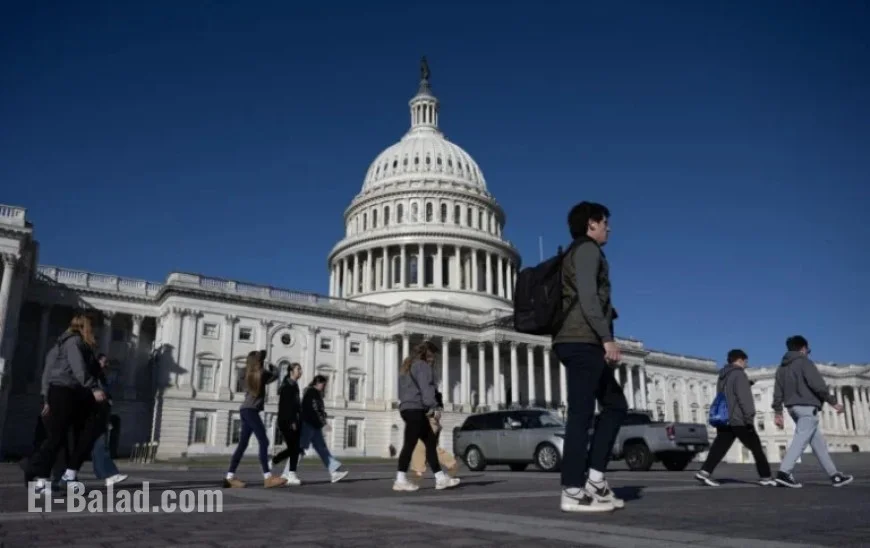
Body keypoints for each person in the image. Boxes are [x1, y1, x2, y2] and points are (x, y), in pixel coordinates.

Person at [551, 201, 627, 512]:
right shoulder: (586, 250)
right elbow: (587, 295)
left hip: (580, 339)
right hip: (582, 340)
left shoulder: (579, 252)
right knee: (581, 414)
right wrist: (606, 337)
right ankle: (571, 489)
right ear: (591, 224)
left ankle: (594, 478)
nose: (608, 227)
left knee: (615, 405)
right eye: (604, 222)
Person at [24, 313, 108, 493]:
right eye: (91, 327)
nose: (93, 331)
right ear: (84, 326)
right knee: (58, 438)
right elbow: (77, 369)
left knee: (67, 436)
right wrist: (93, 388)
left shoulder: (77, 344)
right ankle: (42, 476)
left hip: (72, 393)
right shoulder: (73, 342)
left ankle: (60, 476)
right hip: (64, 392)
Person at [772, 335, 853, 488]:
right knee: (800, 439)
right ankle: (784, 472)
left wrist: (778, 412)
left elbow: (777, 392)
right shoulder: (805, 363)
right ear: (803, 349)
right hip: (807, 407)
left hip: (792, 409)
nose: (808, 353)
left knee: (818, 444)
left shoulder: (781, 368)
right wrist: (833, 402)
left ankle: (834, 475)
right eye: (808, 350)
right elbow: (818, 385)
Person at [695, 349, 776, 487]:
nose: (746, 365)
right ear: (740, 360)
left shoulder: (722, 376)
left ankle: (704, 472)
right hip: (739, 419)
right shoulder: (739, 375)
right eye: (746, 362)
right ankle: (766, 477)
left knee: (719, 447)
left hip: (725, 419)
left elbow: (728, 394)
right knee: (756, 447)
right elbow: (744, 399)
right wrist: (749, 418)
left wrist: (747, 384)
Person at [393, 340, 460, 492]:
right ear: (428, 355)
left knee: (429, 444)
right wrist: (434, 406)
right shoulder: (422, 366)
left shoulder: (406, 367)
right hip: (416, 409)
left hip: (406, 408)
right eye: (433, 356)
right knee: (410, 444)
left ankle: (440, 478)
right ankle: (400, 480)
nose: (434, 359)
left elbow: (402, 391)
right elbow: (427, 388)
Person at [224, 350, 286, 488]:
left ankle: (229, 477)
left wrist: (253, 362)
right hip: (251, 411)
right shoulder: (262, 374)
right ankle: (268, 477)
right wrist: (270, 364)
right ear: (258, 363)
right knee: (264, 441)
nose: (262, 362)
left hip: (245, 410)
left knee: (242, 445)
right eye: (260, 361)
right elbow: (275, 374)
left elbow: (241, 371)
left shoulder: (246, 374)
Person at [298, 375, 348, 483]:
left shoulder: (313, 393)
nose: (324, 386)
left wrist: (322, 420)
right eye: (323, 384)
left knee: (322, 448)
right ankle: (287, 472)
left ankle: (334, 472)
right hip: (308, 424)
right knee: (300, 449)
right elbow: (316, 409)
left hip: (313, 425)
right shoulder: (313, 392)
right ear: (317, 382)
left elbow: (318, 409)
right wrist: (323, 423)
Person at [90, 353, 128, 486]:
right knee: (99, 444)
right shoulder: (93, 376)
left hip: (100, 415)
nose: (106, 365)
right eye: (104, 362)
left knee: (99, 445)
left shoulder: (101, 377)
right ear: (97, 361)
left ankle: (109, 475)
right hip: (93, 415)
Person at [409, 391, 458, 479]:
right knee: (429, 447)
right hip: (431, 421)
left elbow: (433, 411)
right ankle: (450, 462)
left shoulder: (429, 395)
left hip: (431, 422)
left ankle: (418, 469)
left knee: (422, 444)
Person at [272, 362, 303, 485]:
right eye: (298, 369)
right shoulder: (288, 386)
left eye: (300, 369)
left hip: (290, 420)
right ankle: (290, 474)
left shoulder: (294, 385)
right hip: (287, 421)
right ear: (291, 371)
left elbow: (296, 406)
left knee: (294, 448)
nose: (300, 371)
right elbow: (286, 407)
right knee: (295, 448)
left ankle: (276, 464)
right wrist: (292, 421)